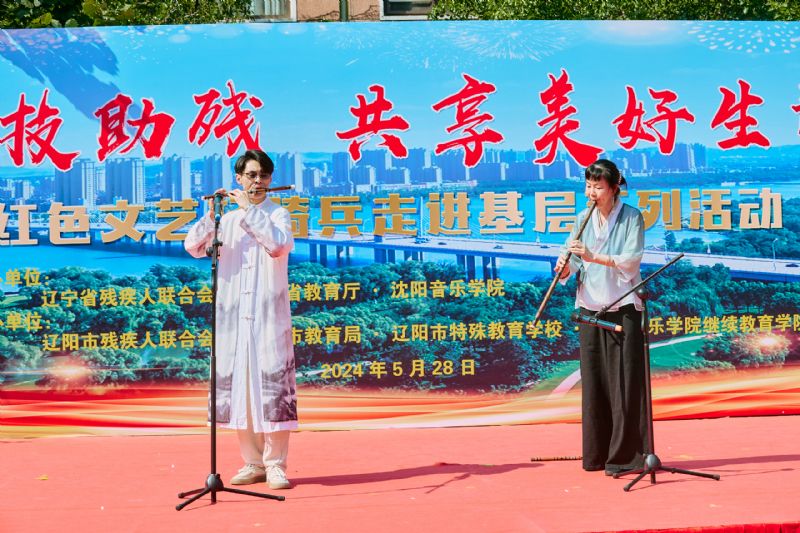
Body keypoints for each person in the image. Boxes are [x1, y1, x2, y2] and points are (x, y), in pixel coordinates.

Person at [184, 149, 297, 490]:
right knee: (240, 390)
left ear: (271, 179)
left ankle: (275, 465)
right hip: (233, 316)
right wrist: (212, 214)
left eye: (263, 175)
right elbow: (193, 247)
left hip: (268, 316)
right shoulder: (227, 220)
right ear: (238, 178)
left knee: (272, 389)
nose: (257, 181)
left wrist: (249, 210)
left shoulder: (278, 214)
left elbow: (277, 246)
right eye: (250, 175)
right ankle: (252, 462)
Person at [554, 158, 647, 476]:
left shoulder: (632, 217)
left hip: (623, 306)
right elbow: (574, 262)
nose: (590, 193)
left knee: (623, 384)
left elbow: (631, 262)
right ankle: (596, 455)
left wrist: (593, 256)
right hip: (589, 308)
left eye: (597, 187)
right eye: (588, 185)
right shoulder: (582, 218)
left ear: (614, 188)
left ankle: (625, 456)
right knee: (594, 384)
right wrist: (564, 267)